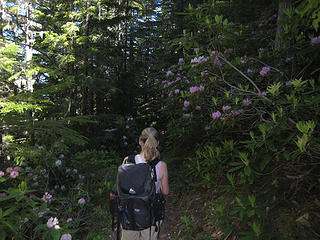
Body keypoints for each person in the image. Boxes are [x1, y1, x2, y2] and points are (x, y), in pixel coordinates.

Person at [121, 127, 169, 240]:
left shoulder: (128, 161)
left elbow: (122, 188)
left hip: (130, 214)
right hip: (151, 215)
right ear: (157, 143)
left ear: (140, 141)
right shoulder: (161, 165)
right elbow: (165, 191)